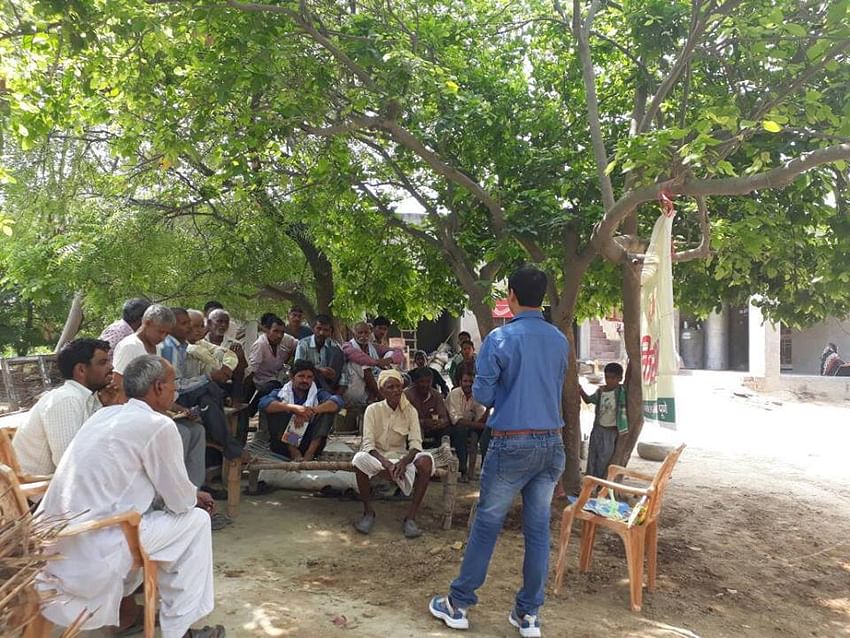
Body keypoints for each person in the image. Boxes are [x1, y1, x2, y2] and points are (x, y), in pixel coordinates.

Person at [35, 355, 224, 638]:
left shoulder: (105, 414)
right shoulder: (158, 425)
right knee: (194, 522)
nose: (177, 390)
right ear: (158, 387)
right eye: (174, 384)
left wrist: (189, 494)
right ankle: (179, 631)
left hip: (57, 543)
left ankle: (137, 615)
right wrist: (194, 497)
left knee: (164, 525)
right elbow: (180, 502)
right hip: (97, 544)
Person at [430, 265, 567, 638]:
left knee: (487, 524)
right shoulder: (559, 339)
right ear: (542, 297)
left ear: (511, 296)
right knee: (538, 530)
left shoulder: (499, 339)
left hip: (511, 441)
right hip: (551, 442)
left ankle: (458, 604)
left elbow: (485, 396)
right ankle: (529, 615)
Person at [13, 338, 117, 477]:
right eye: (103, 362)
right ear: (81, 370)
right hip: (38, 491)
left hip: (59, 486)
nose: (111, 367)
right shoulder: (66, 399)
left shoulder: (87, 399)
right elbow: (69, 464)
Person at [352, 369, 435, 539]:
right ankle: (368, 512)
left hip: (402, 457)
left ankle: (411, 518)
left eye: (398, 386)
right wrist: (387, 464)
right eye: (390, 387)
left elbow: (415, 443)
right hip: (379, 458)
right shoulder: (372, 410)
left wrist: (403, 462)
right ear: (382, 391)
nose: (396, 390)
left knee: (426, 461)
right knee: (359, 459)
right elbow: (368, 444)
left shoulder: (410, 410)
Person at [258, 359, 344, 460]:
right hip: (284, 446)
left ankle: (310, 453)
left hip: (309, 444)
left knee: (327, 411)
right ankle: (294, 451)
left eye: (309, 377)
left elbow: (337, 402)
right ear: (292, 377)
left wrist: (311, 411)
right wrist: (294, 409)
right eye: (301, 376)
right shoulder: (281, 393)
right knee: (278, 408)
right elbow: (263, 404)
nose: (305, 380)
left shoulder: (318, 393)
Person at [112, 304, 176, 393]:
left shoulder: (157, 347)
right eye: (160, 331)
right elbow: (117, 382)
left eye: (167, 334)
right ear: (147, 323)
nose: (163, 337)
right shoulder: (129, 346)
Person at [579, 362, 628, 479]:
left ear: (620, 378)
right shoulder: (601, 391)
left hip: (611, 432)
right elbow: (589, 400)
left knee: (604, 459)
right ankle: (589, 481)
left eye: (613, 378)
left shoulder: (621, 392)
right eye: (607, 377)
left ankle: (599, 482)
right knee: (592, 457)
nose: (609, 380)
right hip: (598, 429)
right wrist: (580, 389)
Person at [446, 370, 488, 482]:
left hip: (470, 427)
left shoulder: (477, 395)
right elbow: (457, 421)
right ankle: (463, 469)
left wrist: (488, 408)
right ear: (460, 382)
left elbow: (481, 419)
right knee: (461, 430)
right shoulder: (455, 393)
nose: (468, 384)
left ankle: (482, 470)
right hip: (452, 427)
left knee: (485, 433)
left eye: (471, 381)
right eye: (465, 381)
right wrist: (480, 425)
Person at [295, 314, 348, 393]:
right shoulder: (303, 344)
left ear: (330, 331)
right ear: (313, 329)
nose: (321, 333)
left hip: (330, 386)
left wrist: (339, 393)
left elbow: (343, 373)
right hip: (306, 384)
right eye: (318, 328)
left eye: (326, 330)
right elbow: (297, 367)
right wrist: (318, 370)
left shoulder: (336, 348)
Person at [343, 321, 392, 406]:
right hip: (353, 383)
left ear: (370, 334)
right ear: (354, 335)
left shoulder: (371, 347)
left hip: (370, 383)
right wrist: (377, 363)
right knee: (364, 366)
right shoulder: (349, 346)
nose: (363, 335)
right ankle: (382, 399)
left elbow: (377, 366)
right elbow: (368, 365)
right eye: (360, 333)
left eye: (366, 333)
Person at [205, 308, 248, 402]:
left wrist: (239, 356)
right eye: (219, 321)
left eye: (226, 322)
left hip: (226, 385)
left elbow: (241, 371)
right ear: (209, 323)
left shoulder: (234, 344)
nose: (223, 325)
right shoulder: (200, 342)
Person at [405, 367, 450, 446]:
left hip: (433, 430)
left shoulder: (436, 395)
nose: (425, 385)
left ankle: (441, 453)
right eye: (422, 381)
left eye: (428, 382)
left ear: (432, 382)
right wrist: (424, 422)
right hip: (412, 431)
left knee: (448, 431)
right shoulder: (407, 396)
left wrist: (439, 423)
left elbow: (445, 418)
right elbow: (403, 420)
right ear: (415, 382)